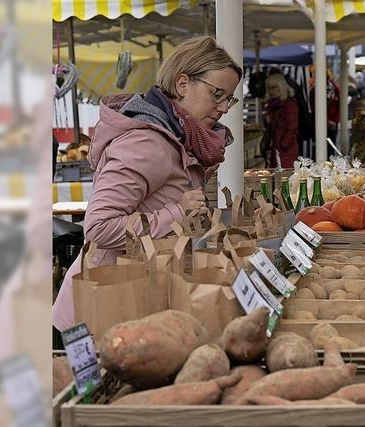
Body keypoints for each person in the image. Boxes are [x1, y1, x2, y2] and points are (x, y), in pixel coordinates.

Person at [52, 36, 242, 331]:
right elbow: (99, 227)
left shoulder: (178, 138)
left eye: (229, 98)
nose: (224, 107)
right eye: (217, 94)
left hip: (132, 301)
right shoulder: (147, 141)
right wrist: (178, 212)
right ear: (182, 84)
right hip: (101, 309)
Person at [265, 73, 299, 168]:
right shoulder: (272, 106)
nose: (271, 91)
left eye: (274, 87)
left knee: (284, 177)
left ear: (281, 87)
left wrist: (283, 145)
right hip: (276, 147)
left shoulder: (289, 105)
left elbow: (292, 128)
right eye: (269, 88)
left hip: (286, 149)